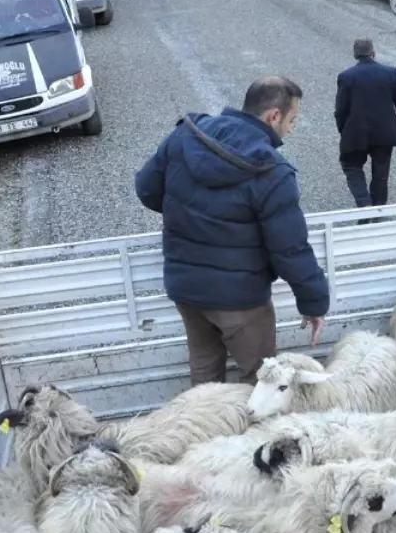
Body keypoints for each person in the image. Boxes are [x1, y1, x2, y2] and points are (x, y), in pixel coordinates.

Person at [134, 76, 329, 386]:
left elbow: (147, 189)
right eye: (293, 119)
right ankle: (259, 435)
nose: (292, 128)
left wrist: (191, 212)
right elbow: (289, 248)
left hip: (187, 290)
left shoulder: (184, 136)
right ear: (273, 116)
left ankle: (207, 432)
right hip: (241, 301)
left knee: (205, 378)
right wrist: (314, 303)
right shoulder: (273, 172)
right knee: (262, 381)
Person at [334, 38, 396, 218]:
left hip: (355, 134)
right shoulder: (390, 73)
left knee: (352, 166)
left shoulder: (346, 77)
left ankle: (364, 207)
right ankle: (377, 213)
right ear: (373, 53)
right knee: (381, 173)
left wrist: (343, 130)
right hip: (384, 134)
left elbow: (340, 110)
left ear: (355, 55)